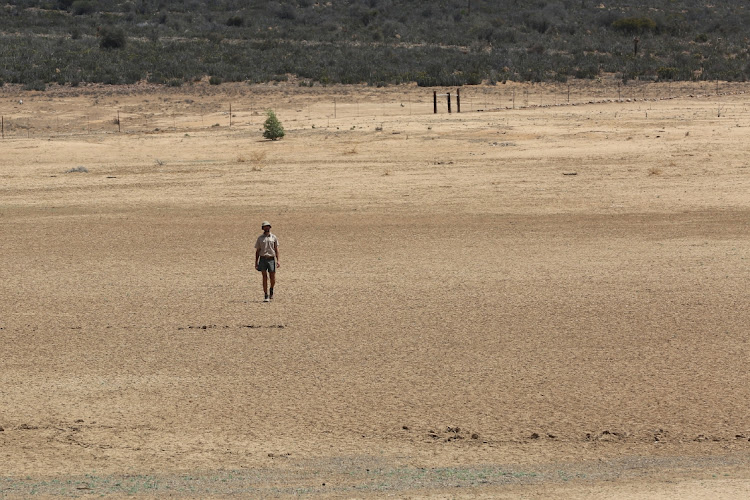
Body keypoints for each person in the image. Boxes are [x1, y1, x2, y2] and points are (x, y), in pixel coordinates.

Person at [255, 221, 280, 302]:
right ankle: (266, 294)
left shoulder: (274, 237)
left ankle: (271, 289)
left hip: (271, 259)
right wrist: (256, 262)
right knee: (264, 277)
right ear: (263, 228)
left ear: (270, 227)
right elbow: (258, 251)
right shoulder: (260, 238)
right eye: (265, 226)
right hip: (262, 259)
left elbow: (276, 249)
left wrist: (278, 260)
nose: (266, 228)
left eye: (267, 226)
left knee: (272, 277)